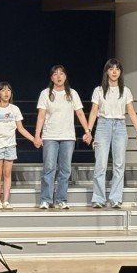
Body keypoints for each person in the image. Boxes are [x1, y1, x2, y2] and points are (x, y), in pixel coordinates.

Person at [86, 58, 137, 209]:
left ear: (120, 72)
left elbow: (131, 112)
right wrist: (88, 130)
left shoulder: (125, 90)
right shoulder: (99, 90)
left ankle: (116, 197)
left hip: (120, 125)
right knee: (101, 163)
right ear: (106, 72)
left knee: (119, 164)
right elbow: (93, 112)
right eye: (111, 69)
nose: (114, 72)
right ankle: (98, 198)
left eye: (117, 69)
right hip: (103, 125)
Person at [34, 65, 92, 210]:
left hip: (68, 137)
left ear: (65, 77)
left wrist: (87, 131)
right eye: (55, 74)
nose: (58, 76)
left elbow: (80, 113)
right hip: (50, 136)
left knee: (65, 170)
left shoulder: (72, 93)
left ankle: (61, 199)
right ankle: (46, 199)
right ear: (51, 78)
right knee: (49, 168)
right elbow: (41, 116)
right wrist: (37, 135)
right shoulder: (45, 93)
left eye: (61, 74)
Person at [0, 82, 39, 210]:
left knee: (7, 173)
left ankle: (6, 200)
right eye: (3, 90)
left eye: (8, 90)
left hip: (10, 145)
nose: (6, 93)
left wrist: (34, 139)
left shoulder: (14, 109)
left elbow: (20, 128)